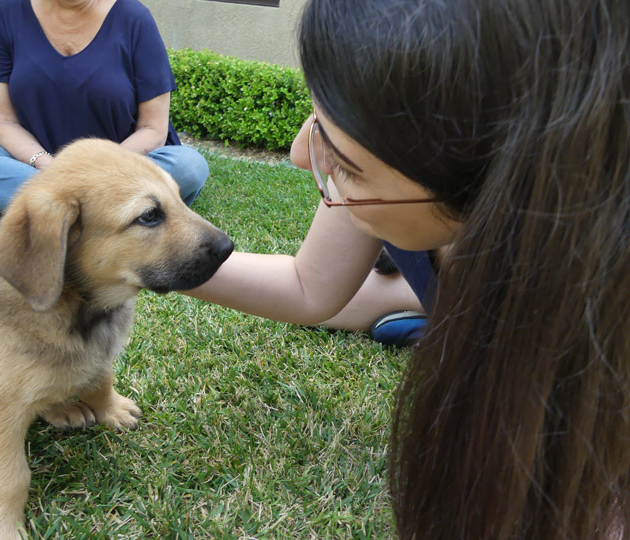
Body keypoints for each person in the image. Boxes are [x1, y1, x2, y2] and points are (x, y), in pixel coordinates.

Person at [184, 0, 630, 538]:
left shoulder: (593, 321)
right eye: (316, 119)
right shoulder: (385, 139)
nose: (304, 156)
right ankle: (416, 300)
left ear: (484, 172)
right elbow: (309, 286)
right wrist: (157, 265)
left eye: (341, 160)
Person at [0, 0, 208, 228]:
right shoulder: (1, 13)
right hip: (34, 162)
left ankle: (31, 210)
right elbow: (4, 121)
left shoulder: (135, 18)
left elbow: (152, 129)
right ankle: (102, 216)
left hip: (122, 164)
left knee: (188, 165)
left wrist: (95, 170)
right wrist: (48, 166)